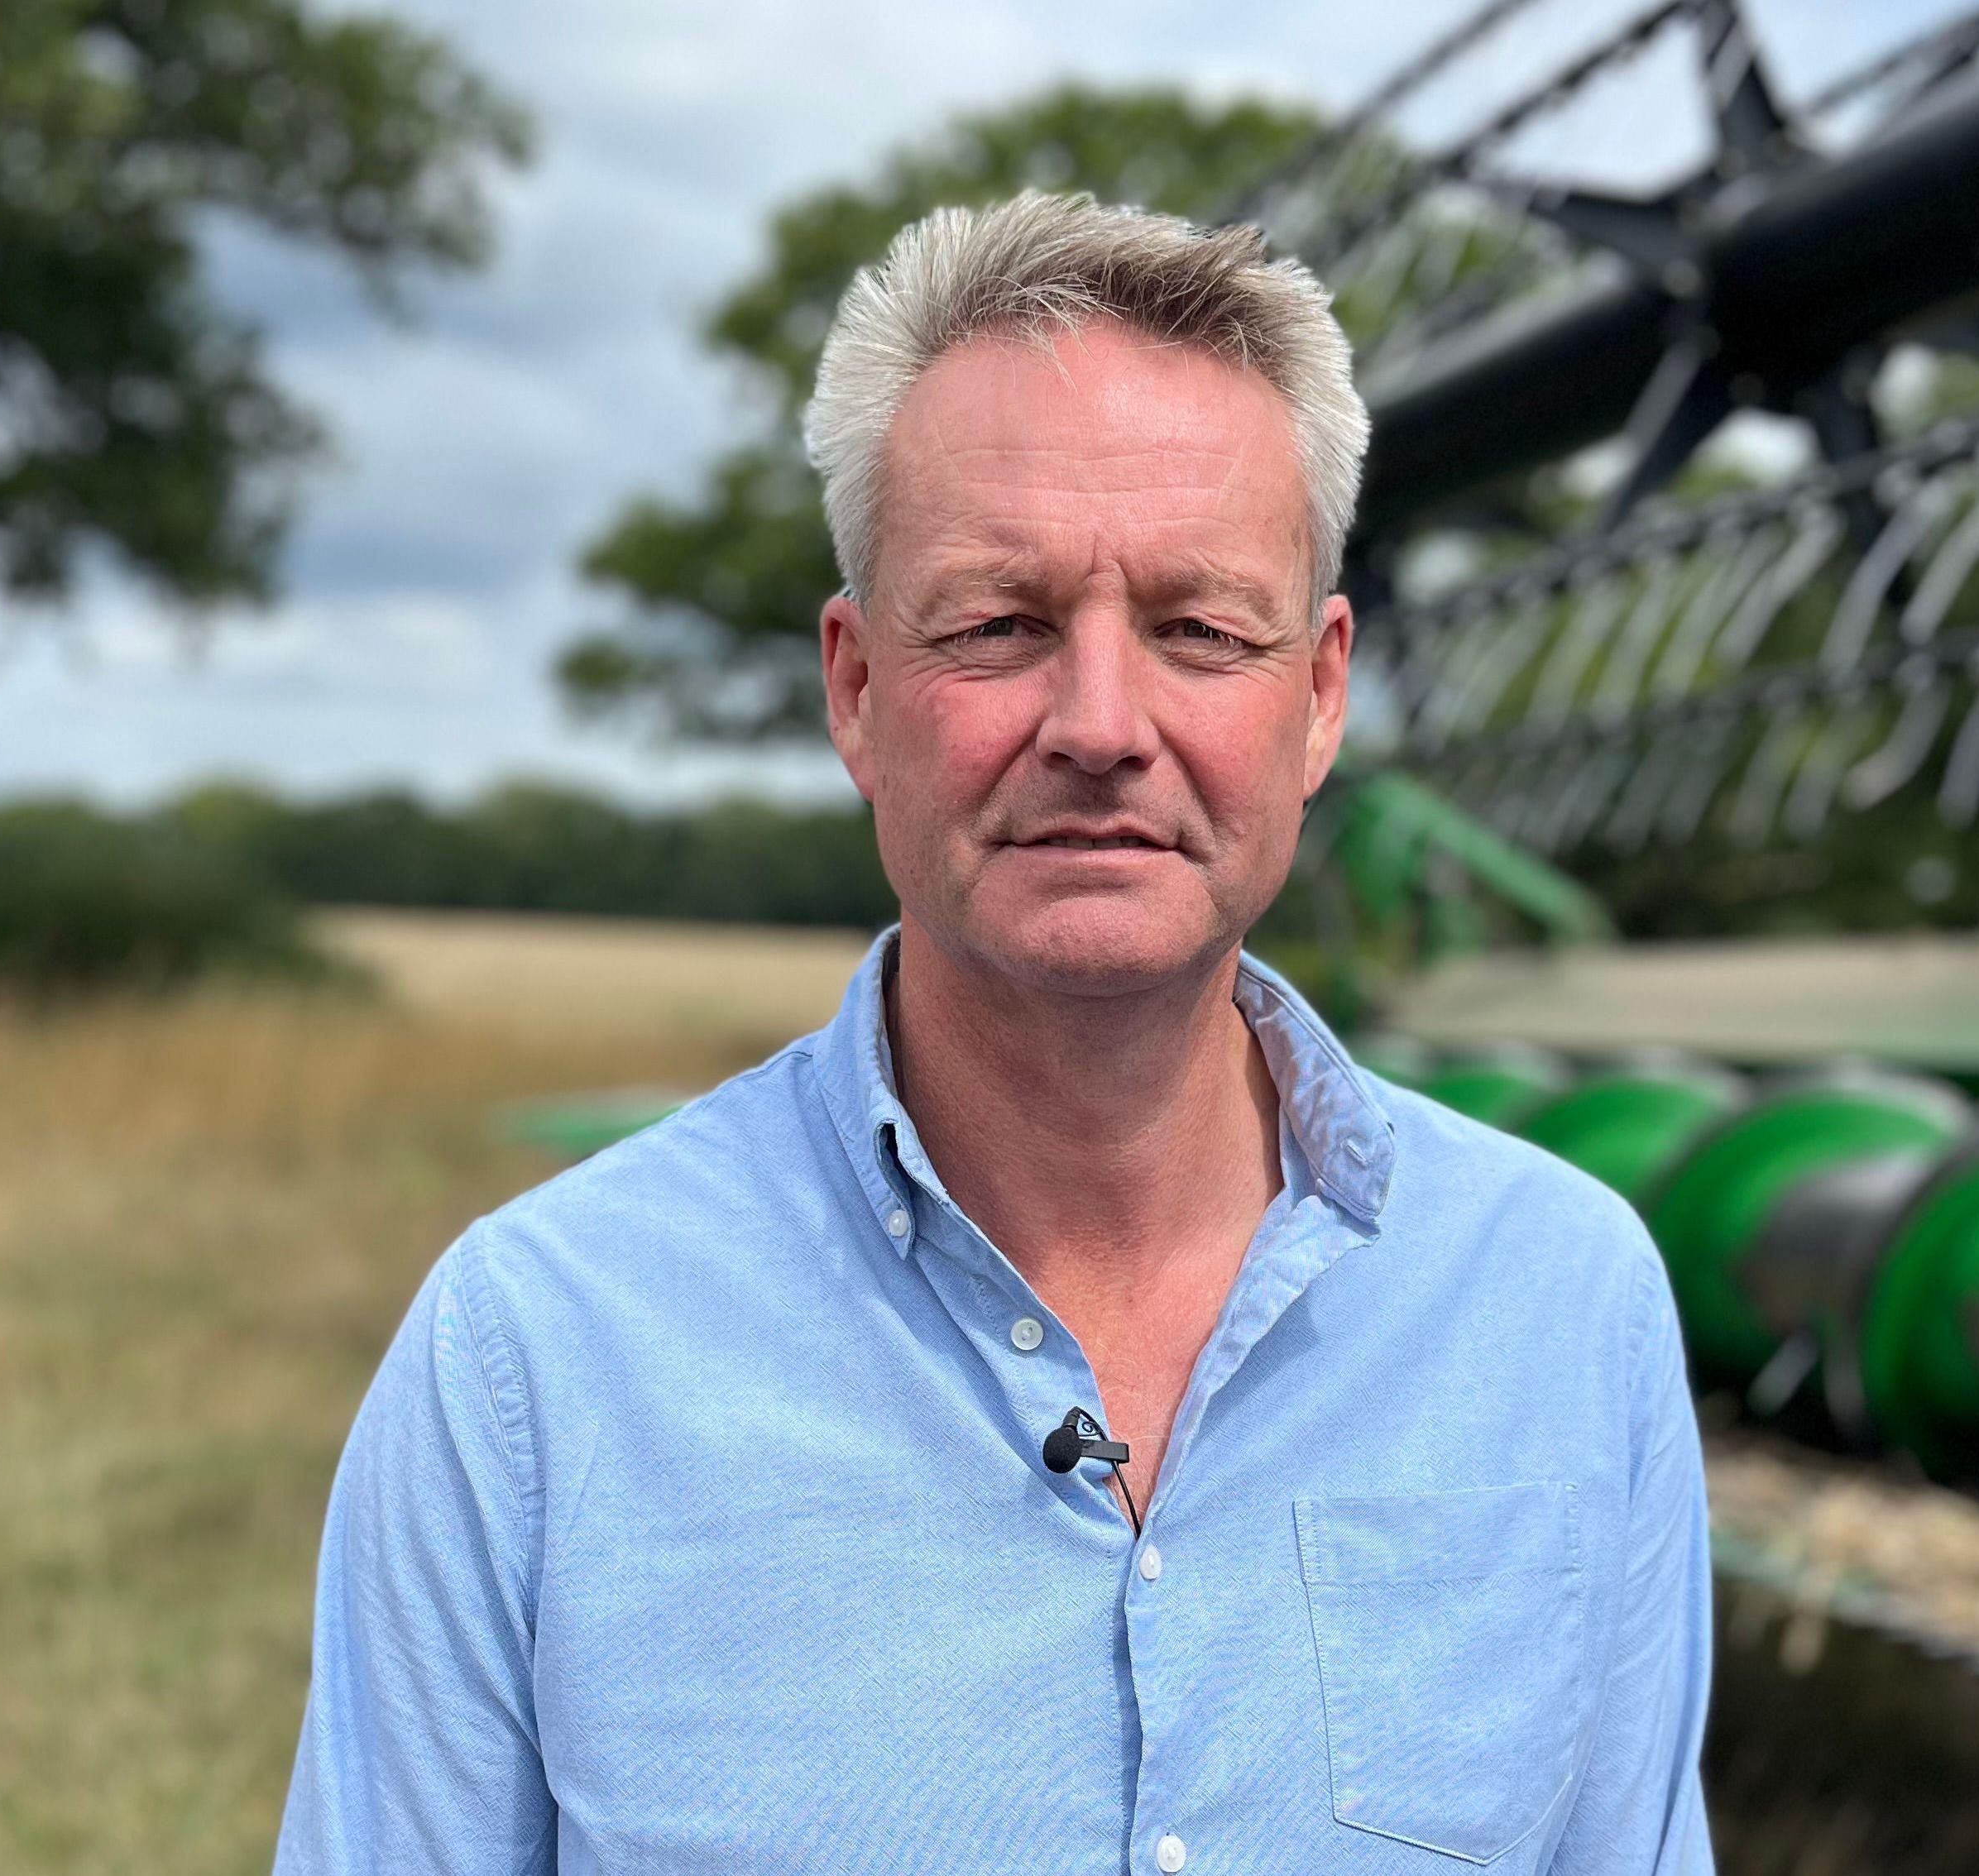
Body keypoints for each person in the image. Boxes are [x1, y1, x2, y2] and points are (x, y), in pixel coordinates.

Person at [275, 190, 1716, 1875]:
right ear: (856, 689)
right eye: (997, 626)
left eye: (1200, 629)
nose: (1101, 725)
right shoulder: (532, 1359)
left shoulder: (1566, 1308)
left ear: (1320, 695)